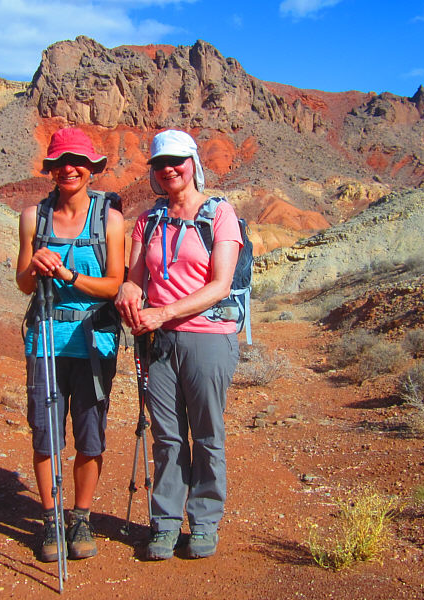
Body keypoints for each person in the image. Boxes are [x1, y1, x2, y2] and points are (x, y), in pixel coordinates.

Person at [115, 129, 242, 560]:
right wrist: (130, 294)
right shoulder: (147, 221)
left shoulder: (219, 213)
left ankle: (204, 521)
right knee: (167, 436)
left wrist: (163, 313)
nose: (168, 169)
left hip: (207, 338)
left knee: (207, 433)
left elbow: (221, 285)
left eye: (176, 160)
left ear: (192, 164)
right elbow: (135, 276)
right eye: (159, 163)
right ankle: (166, 523)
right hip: (158, 343)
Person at [15, 127, 124, 562]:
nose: (69, 169)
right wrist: (37, 268)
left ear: (92, 168)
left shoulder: (110, 221)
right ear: (51, 169)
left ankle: (81, 517)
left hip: (94, 341)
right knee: (45, 435)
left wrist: (70, 277)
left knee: (90, 435)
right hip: (45, 341)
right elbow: (23, 283)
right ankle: (49, 520)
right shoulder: (32, 217)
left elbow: (116, 283)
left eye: (78, 161)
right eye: (60, 162)